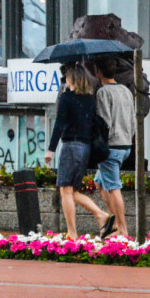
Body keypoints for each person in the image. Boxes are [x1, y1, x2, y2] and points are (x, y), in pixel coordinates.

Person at [43, 63, 113, 240]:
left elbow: (59, 125)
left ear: (71, 78)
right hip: (85, 148)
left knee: (65, 191)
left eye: (67, 76)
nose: (65, 79)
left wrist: (50, 150)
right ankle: (101, 215)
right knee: (72, 191)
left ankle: (72, 233)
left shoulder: (67, 98)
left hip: (71, 146)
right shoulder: (89, 99)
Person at [92, 56, 136, 238]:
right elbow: (133, 120)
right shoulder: (125, 90)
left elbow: (105, 122)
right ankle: (115, 221)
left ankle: (122, 228)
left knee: (113, 187)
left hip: (111, 146)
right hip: (126, 144)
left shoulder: (103, 93)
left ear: (98, 72)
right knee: (100, 182)